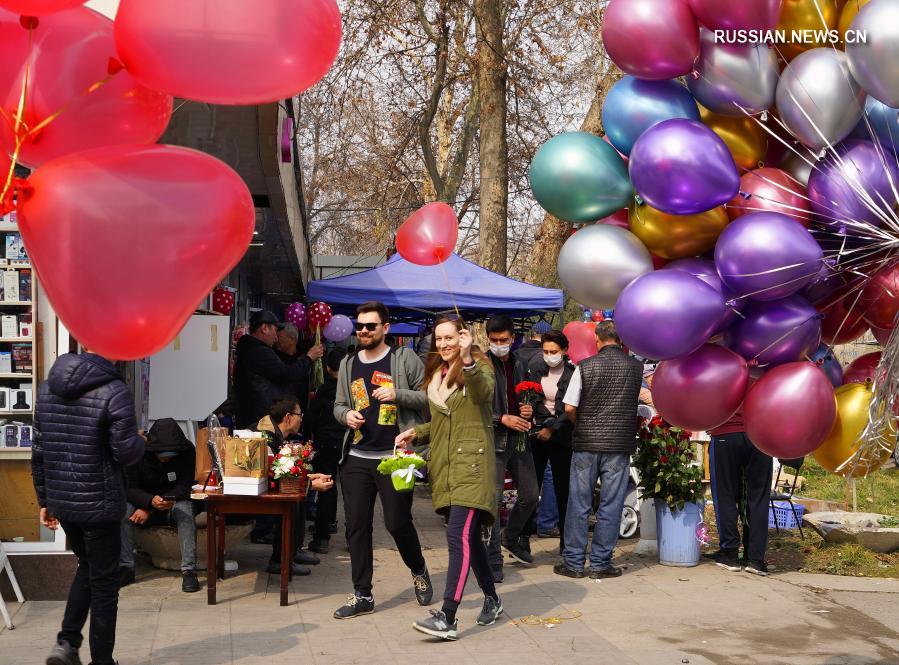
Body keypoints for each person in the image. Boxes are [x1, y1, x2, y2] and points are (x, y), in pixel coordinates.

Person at [32, 351, 146, 665]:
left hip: (64, 501)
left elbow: (39, 449)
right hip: (100, 502)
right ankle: (101, 660)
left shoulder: (47, 388)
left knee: (89, 566)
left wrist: (44, 500)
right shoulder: (114, 390)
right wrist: (140, 441)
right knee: (106, 582)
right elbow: (125, 453)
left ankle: (67, 643)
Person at [396, 316, 501, 641]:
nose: (442, 344)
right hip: (445, 468)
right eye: (438, 339)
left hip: (472, 467)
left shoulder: (480, 367)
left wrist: (468, 358)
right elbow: (442, 423)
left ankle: (448, 616)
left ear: (463, 338)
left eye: (448, 338)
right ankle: (492, 599)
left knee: (457, 537)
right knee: (469, 541)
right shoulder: (438, 376)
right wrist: (418, 432)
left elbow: (483, 396)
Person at [332, 301, 432, 619]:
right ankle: (362, 594)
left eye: (370, 326)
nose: (363, 331)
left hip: (396, 458)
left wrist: (397, 394)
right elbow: (337, 405)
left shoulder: (404, 359)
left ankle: (418, 569)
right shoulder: (349, 363)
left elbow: (428, 395)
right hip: (357, 458)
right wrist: (345, 414)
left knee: (397, 522)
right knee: (356, 527)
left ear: (385, 328)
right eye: (359, 326)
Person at [555, 320, 642, 579]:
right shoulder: (636, 369)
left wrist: (582, 423)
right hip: (618, 444)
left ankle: (572, 562)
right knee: (611, 504)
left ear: (597, 339)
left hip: (586, 444)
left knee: (579, 504)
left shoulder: (584, 367)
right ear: (622, 340)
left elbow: (569, 407)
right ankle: (601, 564)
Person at [485, 314, 538, 578]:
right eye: (494, 340)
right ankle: (493, 560)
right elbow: (475, 407)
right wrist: (501, 418)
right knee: (493, 504)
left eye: (503, 340)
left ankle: (512, 536)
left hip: (519, 440)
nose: (499, 344)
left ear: (513, 338)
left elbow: (526, 398)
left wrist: (529, 409)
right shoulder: (482, 365)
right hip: (493, 440)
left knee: (530, 495)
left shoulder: (520, 363)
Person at [120, 418, 199, 593]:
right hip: (142, 502)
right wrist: (149, 502)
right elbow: (129, 488)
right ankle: (126, 567)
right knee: (124, 512)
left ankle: (189, 570)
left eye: (171, 453)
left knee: (186, 511)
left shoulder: (187, 451)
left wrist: (162, 501)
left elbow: (185, 486)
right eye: (162, 453)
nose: (166, 457)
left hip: (173, 502)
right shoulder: (136, 453)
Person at [257, 397, 322, 574]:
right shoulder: (266, 435)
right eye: (299, 415)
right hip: (256, 488)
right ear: (288, 417)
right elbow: (273, 470)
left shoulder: (277, 433)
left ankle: (294, 550)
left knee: (299, 493)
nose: (302, 419)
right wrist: (309, 480)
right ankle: (280, 560)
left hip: (266, 483)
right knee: (292, 498)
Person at [707, 402, 773, 576]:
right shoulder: (767, 372)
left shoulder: (721, 372)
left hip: (726, 431)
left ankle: (730, 552)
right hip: (761, 434)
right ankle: (756, 559)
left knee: (725, 494)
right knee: (758, 498)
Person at [526, 330, 575, 554]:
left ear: (564, 351)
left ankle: (566, 542)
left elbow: (571, 408)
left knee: (562, 489)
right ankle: (523, 539)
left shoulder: (573, 373)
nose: (549, 355)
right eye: (545, 351)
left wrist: (551, 427)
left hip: (562, 436)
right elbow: (529, 396)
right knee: (530, 489)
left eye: (553, 352)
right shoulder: (536, 369)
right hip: (536, 434)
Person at [233, 310, 323, 429]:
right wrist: (309, 358)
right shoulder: (259, 351)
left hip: (252, 415)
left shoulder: (251, 348)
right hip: (258, 418)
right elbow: (286, 374)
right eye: (275, 331)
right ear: (264, 328)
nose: (276, 338)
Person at [304, 348, 347, 554]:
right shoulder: (353, 389)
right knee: (353, 493)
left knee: (325, 488)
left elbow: (311, 419)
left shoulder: (324, 390)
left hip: (326, 442)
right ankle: (353, 538)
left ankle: (322, 537)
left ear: (329, 368)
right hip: (349, 444)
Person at [276, 322, 312, 412]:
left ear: (292, 339)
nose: (276, 340)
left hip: (301, 409)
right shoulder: (274, 357)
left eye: (279, 337)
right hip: (280, 408)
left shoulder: (305, 357)